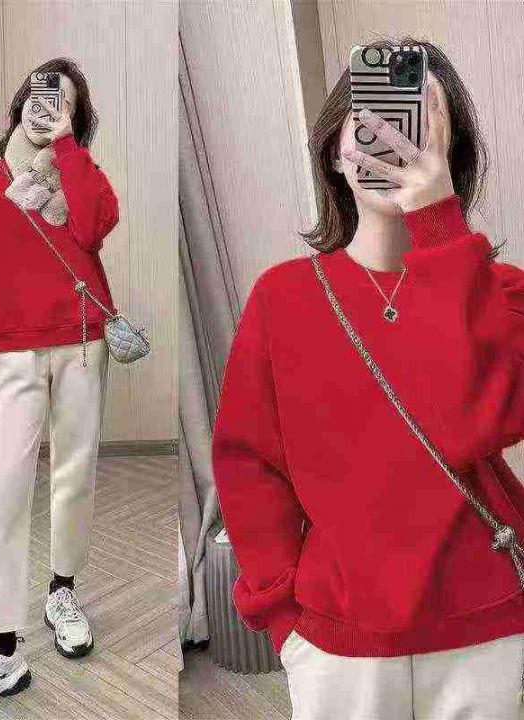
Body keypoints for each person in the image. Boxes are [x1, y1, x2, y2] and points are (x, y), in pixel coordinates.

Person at [211, 36, 524, 719]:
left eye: (416, 122)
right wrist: (285, 622)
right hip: (337, 642)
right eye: (371, 120)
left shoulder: (500, 294)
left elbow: (474, 421)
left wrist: (437, 220)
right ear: (335, 150)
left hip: (490, 628)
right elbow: (249, 465)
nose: (392, 142)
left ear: (450, 154)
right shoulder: (282, 297)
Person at [0, 57, 118, 705]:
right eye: (40, 97)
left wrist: (66, 148)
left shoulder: (83, 176)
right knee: (2, 492)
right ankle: (0, 647)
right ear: (19, 105)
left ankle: (62, 591)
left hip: (83, 343)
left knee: (74, 475)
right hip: (10, 350)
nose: (47, 108)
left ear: (76, 116)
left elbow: (93, 226)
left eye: (62, 102)